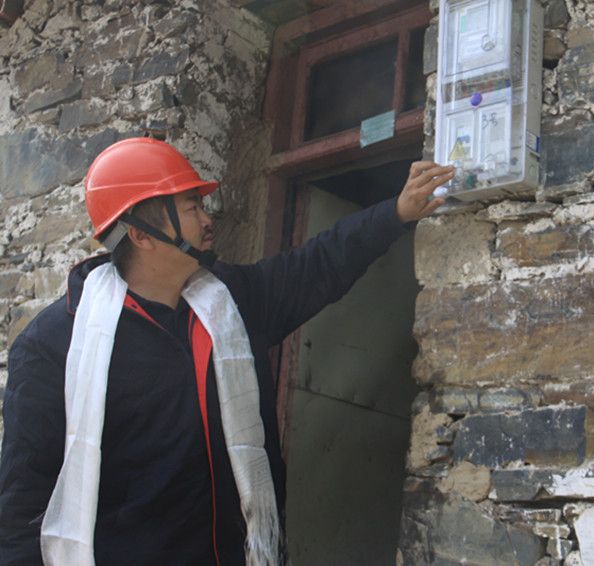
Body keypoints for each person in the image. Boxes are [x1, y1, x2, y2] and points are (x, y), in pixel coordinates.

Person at [0, 137, 453, 565]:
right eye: (191, 207)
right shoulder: (53, 345)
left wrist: (396, 212)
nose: (207, 219)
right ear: (141, 234)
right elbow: (23, 500)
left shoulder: (231, 301)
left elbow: (317, 266)